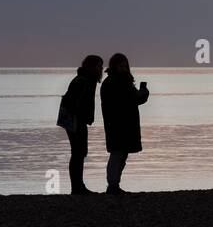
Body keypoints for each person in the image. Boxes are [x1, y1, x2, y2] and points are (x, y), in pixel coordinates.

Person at [100, 53, 149, 195]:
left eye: (125, 65)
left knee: (121, 154)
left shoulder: (117, 81)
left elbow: (133, 100)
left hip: (122, 124)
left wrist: (141, 94)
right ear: (114, 65)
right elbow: (133, 99)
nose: (124, 68)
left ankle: (114, 185)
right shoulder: (116, 82)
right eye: (121, 65)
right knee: (117, 154)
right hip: (118, 124)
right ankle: (112, 185)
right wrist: (144, 93)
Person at [60, 55, 104, 195]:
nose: (101, 69)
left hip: (76, 120)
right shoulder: (83, 81)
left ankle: (78, 186)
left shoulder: (85, 79)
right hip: (75, 120)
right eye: (99, 66)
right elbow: (74, 102)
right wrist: (80, 118)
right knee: (78, 153)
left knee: (79, 152)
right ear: (91, 67)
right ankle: (77, 187)